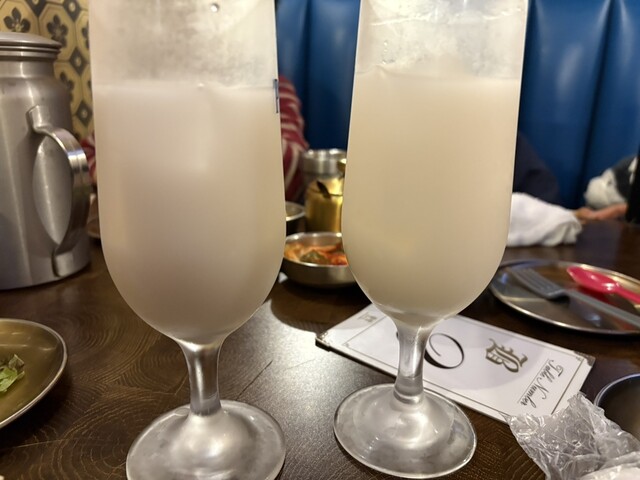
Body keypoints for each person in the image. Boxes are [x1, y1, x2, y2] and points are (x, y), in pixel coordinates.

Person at [81, 74, 309, 202]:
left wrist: (221, 107)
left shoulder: (273, 87)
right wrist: (123, 178)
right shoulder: (151, 94)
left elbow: (293, 170)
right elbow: (88, 152)